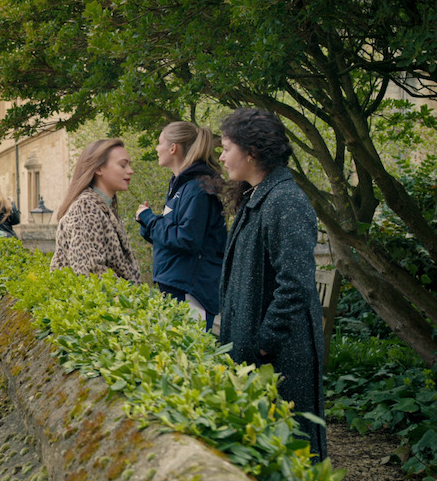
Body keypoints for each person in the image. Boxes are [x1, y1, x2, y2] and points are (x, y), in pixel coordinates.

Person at [217, 108, 326, 461]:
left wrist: (264, 344)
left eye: (226, 147)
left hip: (281, 357)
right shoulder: (258, 197)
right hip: (260, 354)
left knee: (293, 451)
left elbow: (295, 285)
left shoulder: (285, 201)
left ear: (251, 151)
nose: (221, 156)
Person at [136, 121, 228, 332]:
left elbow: (187, 239)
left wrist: (151, 220)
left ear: (173, 148)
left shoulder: (197, 188)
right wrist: (147, 223)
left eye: (160, 143)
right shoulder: (183, 186)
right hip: (177, 285)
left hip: (191, 289)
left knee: (187, 356)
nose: (156, 149)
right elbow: (176, 233)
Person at [50, 139, 141, 282]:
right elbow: (90, 271)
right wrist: (132, 299)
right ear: (99, 169)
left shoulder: (103, 208)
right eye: (123, 165)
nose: (130, 170)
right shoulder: (85, 207)